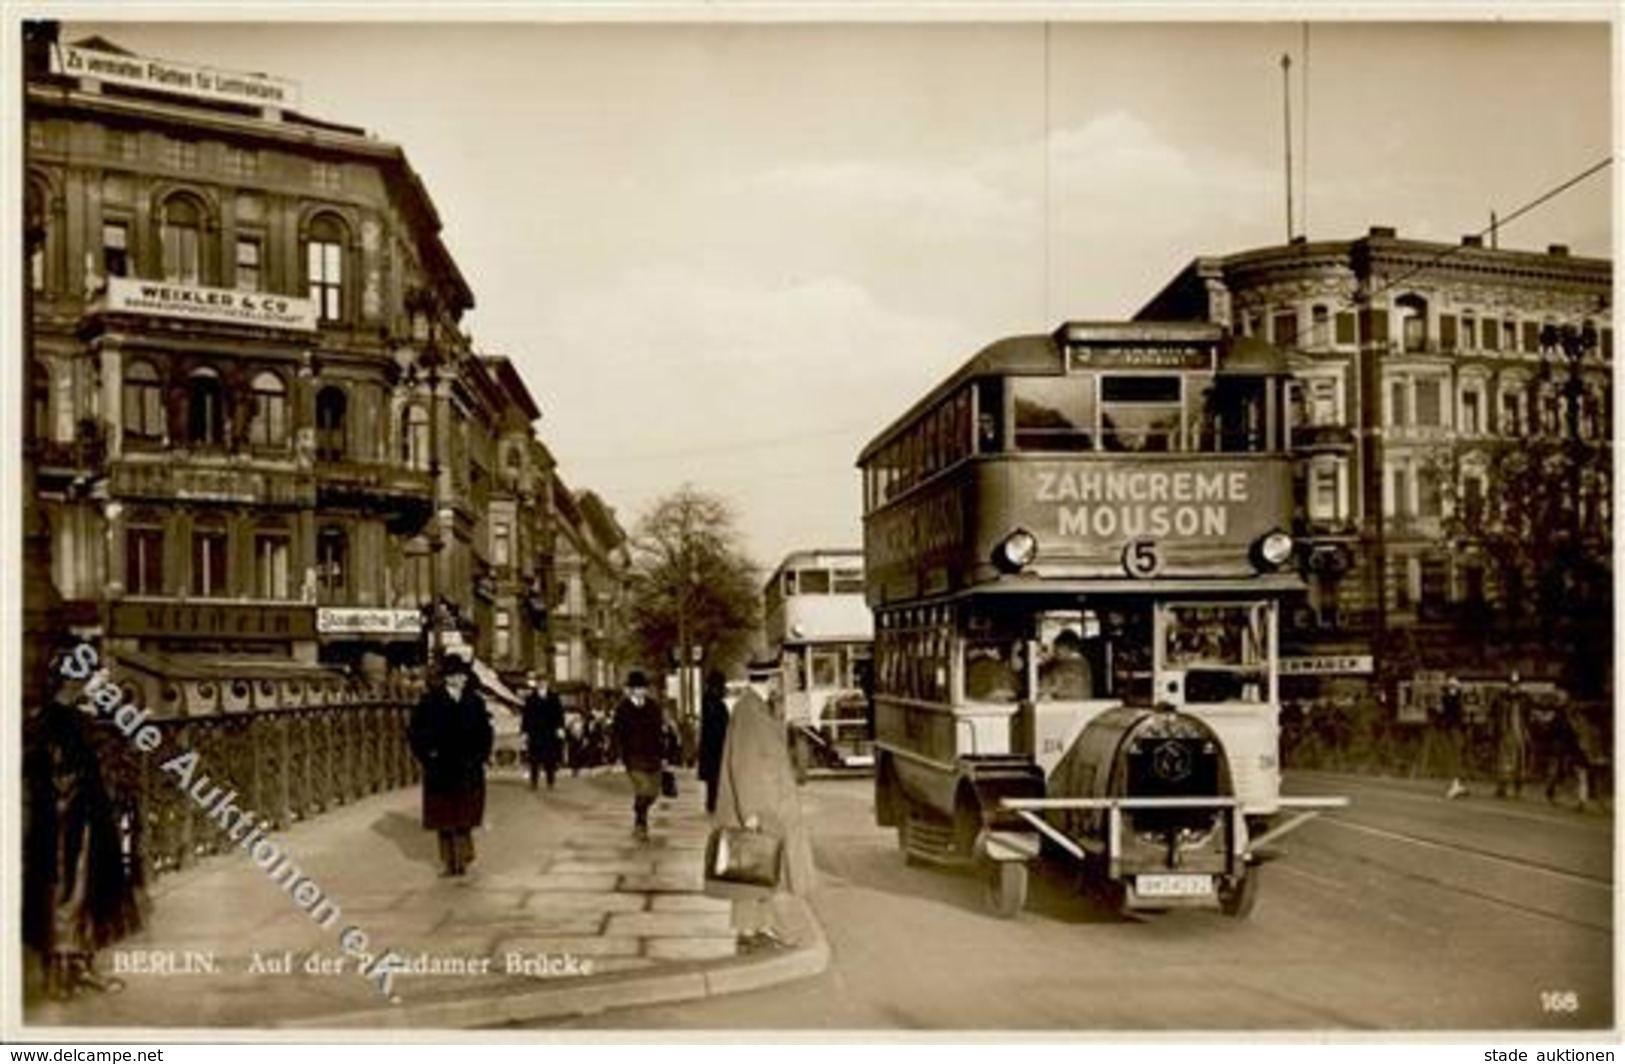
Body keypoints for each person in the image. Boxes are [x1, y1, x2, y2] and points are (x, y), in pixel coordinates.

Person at [23, 647, 145, 1001]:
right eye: (88, 677)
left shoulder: (58, 718)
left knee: (81, 892)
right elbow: (63, 777)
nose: (94, 684)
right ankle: (63, 975)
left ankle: (77, 968)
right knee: (70, 893)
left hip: (74, 820)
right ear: (73, 680)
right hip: (71, 824)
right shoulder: (62, 722)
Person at [713, 689, 816, 951]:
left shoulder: (758, 708)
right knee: (756, 871)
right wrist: (750, 812)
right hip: (760, 805)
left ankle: (752, 931)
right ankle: (756, 933)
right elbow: (743, 763)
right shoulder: (749, 711)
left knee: (757, 872)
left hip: (768, 804)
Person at [408, 655, 493, 877]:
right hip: (441, 767)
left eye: (464, 675)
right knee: (444, 818)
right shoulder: (430, 702)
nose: (463, 679)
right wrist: (428, 757)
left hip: (468, 767)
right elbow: (415, 733)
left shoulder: (475, 701)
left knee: (464, 815)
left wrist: (481, 756)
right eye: (458, 675)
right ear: (448, 678)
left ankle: (464, 856)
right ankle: (448, 861)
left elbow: (485, 733)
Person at [613, 670, 666, 842]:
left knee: (653, 792)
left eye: (643, 688)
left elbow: (659, 733)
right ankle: (641, 823)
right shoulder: (623, 708)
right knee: (643, 787)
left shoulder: (653, 706)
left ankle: (639, 809)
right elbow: (617, 733)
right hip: (634, 756)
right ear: (631, 690)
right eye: (637, 688)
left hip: (653, 756)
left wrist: (663, 755)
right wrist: (620, 754)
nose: (641, 691)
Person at [521, 673, 565, 791]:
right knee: (534, 759)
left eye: (544, 682)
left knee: (550, 759)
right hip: (535, 733)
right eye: (540, 682)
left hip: (550, 733)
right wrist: (525, 732)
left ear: (547, 683)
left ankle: (550, 781)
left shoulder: (554, 697)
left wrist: (560, 728)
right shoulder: (530, 699)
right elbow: (526, 716)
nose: (542, 684)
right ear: (537, 684)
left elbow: (559, 714)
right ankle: (533, 781)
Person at [1492, 671, 1530, 800]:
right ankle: (1502, 787)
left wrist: (1527, 732)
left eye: (1516, 684)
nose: (1514, 687)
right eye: (1512, 684)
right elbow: (1493, 715)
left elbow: (1528, 716)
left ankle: (1517, 788)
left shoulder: (1525, 698)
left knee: (1520, 762)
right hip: (1505, 733)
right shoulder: (1500, 698)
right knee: (1504, 761)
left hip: (1519, 733)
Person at [698, 670, 731, 815]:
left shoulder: (709, 702)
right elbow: (723, 725)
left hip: (711, 746)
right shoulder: (715, 704)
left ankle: (712, 802)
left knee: (713, 779)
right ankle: (713, 803)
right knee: (715, 777)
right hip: (716, 746)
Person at [1038, 629, 1092, 701]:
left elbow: (1056, 687)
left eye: (1058, 648)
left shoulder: (1076, 663)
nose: (1055, 651)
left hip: (1071, 704)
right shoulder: (1056, 663)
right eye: (1055, 648)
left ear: (1067, 647)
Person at [1439, 676, 1470, 799]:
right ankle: (1455, 784)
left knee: (1458, 755)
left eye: (1454, 687)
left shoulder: (1455, 700)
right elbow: (1449, 712)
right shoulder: (1449, 699)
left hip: (1456, 730)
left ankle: (1457, 783)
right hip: (1452, 730)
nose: (1452, 690)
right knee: (1454, 756)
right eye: (1450, 687)